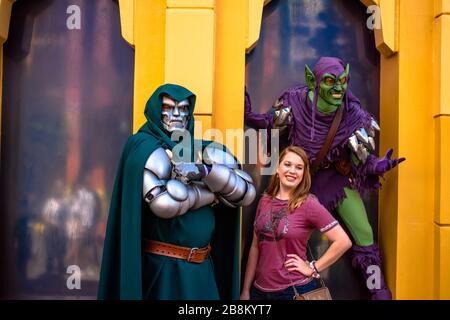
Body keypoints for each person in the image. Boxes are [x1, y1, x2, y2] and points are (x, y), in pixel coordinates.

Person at [244, 56, 405, 299]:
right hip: (300, 182)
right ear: (313, 81)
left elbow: (362, 159)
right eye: (331, 81)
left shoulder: (353, 114)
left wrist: (379, 165)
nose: (339, 88)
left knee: (364, 232)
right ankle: (275, 286)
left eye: (343, 81)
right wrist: (249, 114)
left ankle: (379, 291)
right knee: (278, 231)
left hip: (336, 181)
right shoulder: (295, 101)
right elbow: (270, 122)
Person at [98, 83, 256, 300]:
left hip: (202, 270)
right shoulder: (143, 146)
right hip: (164, 270)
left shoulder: (206, 149)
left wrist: (203, 170)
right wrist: (213, 191)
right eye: (169, 107)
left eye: (183, 108)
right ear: (157, 109)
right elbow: (166, 203)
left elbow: (245, 192)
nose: (177, 114)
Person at [240, 146, 352, 300]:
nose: (292, 171)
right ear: (278, 169)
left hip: (293, 291)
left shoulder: (308, 204)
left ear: (303, 175)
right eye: (287, 164)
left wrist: (313, 267)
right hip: (259, 291)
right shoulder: (265, 201)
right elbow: (255, 247)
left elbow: (343, 241)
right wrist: (246, 290)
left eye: (299, 167)